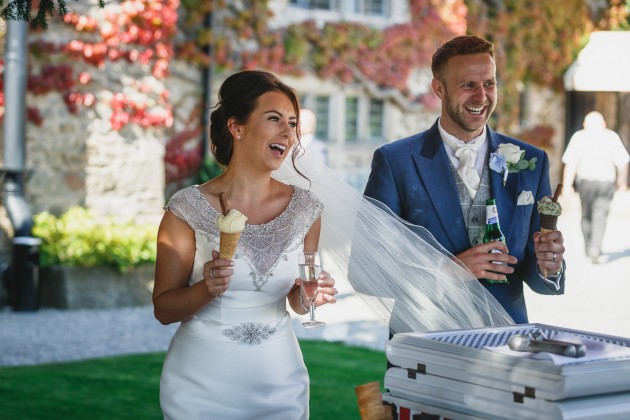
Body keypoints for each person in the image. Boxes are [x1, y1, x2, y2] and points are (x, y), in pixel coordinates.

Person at [153, 70, 338, 419]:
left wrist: (309, 294)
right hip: (201, 384)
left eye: (292, 122)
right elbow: (163, 309)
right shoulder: (186, 208)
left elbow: (297, 302)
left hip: (279, 380)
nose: (288, 131)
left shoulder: (306, 208)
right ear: (237, 128)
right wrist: (206, 288)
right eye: (274, 119)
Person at [363, 35, 566, 324]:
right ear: (439, 88)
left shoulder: (531, 162)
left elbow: (535, 270)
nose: (481, 97)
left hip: (507, 341)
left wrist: (551, 265)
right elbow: (366, 270)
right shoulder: (395, 162)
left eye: (489, 84)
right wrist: (449, 271)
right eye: (468, 85)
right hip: (426, 337)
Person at [562, 111, 629, 264]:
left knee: (587, 216)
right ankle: (594, 248)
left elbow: (571, 163)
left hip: (589, 183)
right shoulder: (610, 136)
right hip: (602, 183)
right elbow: (623, 162)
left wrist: (567, 185)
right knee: (599, 216)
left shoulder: (579, 136)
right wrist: (622, 181)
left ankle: (591, 247)